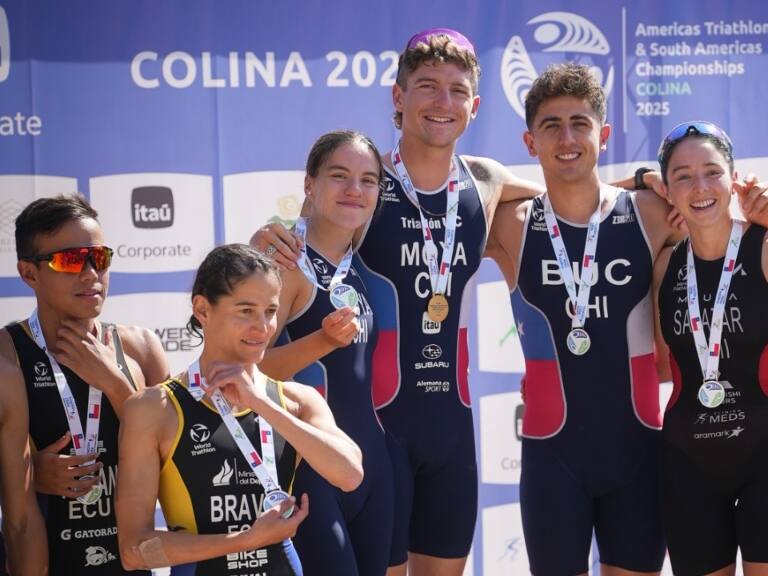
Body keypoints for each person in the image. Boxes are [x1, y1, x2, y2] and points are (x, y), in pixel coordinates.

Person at [252, 29, 659, 576]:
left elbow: (568, 184)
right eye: (427, 87)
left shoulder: (484, 181)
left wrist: (642, 180)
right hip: (379, 432)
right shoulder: (369, 185)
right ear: (398, 97)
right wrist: (266, 235)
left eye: (456, 90)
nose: (442, 103)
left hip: (452, 433)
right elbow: (312, 230)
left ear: (475, 105)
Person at [486, 63, 768, 576]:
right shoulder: (512, 223)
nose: (567, 138)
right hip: (553, 459)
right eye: (551, 125)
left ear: (604, 134)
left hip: (638, 454)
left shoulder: (650, 212)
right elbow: (448, 204)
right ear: (530, 142)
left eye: (580, 123)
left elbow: (710, 210)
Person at [116, 244, 364, 575]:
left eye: (271, 311)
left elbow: (349, 474)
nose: (262, 328)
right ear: (202, 309)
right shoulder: (154, 409)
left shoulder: (296, 401)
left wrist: (260, 403)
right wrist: (245, 540)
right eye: (246, 311)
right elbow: (134, 551)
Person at [0, 194, 169, 575]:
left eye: (100, 258)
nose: (91, 273)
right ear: (29, 274)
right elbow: (19, 523)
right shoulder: (8, 357)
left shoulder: (141, 348)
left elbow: (184, 462)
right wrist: (24, 476)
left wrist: (114, 382)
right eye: (71, 260)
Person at [257, 130, 394, 576]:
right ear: (310, 185)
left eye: (368, 180)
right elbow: (249, 372)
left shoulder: (360, 265)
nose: (355, 189)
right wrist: (320, 341)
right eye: (339, 176)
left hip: (372, 467)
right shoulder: (284, 265)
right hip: (310, 471)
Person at [654, 121, 768, 576]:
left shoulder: (762, 247)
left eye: (712, 172)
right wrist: (643, 179)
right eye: (682, 176)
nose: (699, 187)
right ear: (668, 190)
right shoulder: (664, 263)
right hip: (689, 465)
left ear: (734, 178)